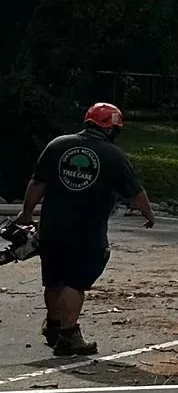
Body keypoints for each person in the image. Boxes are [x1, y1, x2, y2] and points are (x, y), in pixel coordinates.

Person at [19, 102, 154, 358]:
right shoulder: (114, 156)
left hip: (52, 226)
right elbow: (135, 193)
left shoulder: (57, 145)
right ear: (111, 128)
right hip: (86, 231)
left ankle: (54, 326)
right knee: (74, 282)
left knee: (54, 279)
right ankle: (68, 336)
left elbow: (37, 182)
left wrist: (26, 212)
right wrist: (149, 215)